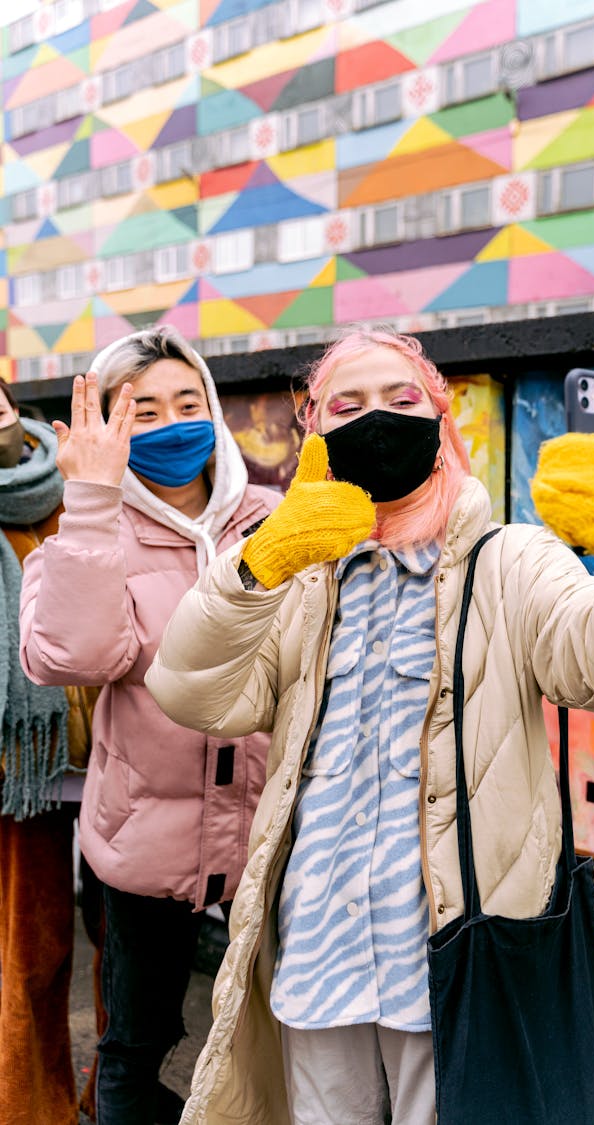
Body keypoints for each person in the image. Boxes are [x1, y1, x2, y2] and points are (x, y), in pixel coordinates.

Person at [146, 326, 594, 1125]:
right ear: (315, 433)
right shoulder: (295, 580)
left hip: (453, 962)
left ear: (440, 419)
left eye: (401, 400)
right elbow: (192, 690)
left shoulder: (512, 561)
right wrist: (256, 565)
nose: (378, 420)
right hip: (315, 953)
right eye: (347, 405)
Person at [18, 327, 280, 1125]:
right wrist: (92, 504)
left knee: (283, 1032)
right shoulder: (94, 533)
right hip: (145, 845)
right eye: (144, 412)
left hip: (271, 838)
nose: (173, 425)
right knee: (140, 1040)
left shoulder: (275, 519)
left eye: (187, 402)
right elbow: (71, 654)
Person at [0, 380, 102, 1125]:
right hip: (15, 778)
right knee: (27, 959)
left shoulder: (77, 480)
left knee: (120, 958)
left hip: (111, 753)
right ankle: (33, 1108)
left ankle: (115, 1096)